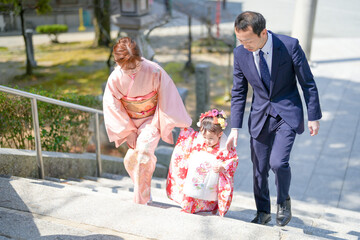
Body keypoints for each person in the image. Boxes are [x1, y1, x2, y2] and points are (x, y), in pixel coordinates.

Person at [226, 11, 322, 226]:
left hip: (287, 111)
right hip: (260, 115)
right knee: (259, 169)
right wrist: (234, 128)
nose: (244, 45)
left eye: (248, 40)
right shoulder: (240, 53)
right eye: (239, 40)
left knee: (278, 163)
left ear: (263, 33)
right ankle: (263, 211)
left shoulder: (289, 46)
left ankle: (283, 201)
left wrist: (313, 116)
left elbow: (308, 83)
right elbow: (239, 91)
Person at [103, 37, 192, 205]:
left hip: (151, 120)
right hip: (129, 122)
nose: (132, 71)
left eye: (135, 65)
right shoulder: (115, 79)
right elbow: (112, 106)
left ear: (140, 58)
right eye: (126, 68)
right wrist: (128, 132)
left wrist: (180, 123)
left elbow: (168, 95)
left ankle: (142, 200)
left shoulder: (154, 70)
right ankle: (144, 190)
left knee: (143, 152)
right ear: (117, 62)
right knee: (130, 160)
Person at [166, 109, 238, 216]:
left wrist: (222, 166)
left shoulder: (225, 146)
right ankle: (189, 206)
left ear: (220, 134)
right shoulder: (197, 139)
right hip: (195, 175)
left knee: (209, 193)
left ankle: (208, 207)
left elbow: (233, 160)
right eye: (204, 137)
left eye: (210, 138)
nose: (206, 141)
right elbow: (187, 135)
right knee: (192, 191)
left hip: (212, 178)